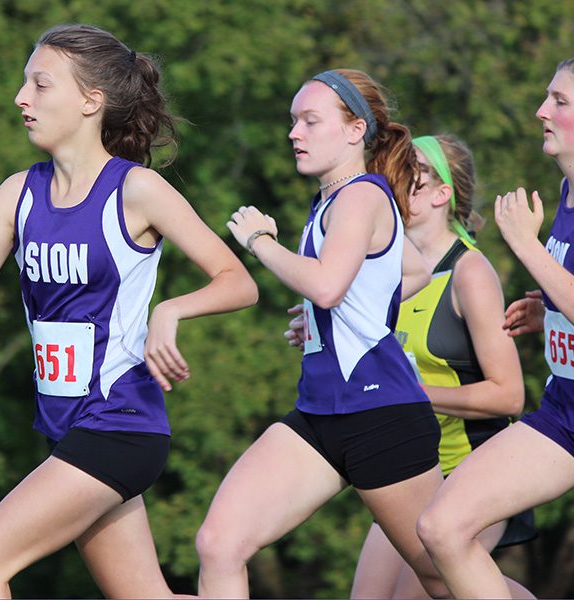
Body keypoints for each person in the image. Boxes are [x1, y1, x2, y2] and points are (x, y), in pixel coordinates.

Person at [0, 24, 257, 599]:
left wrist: (170, 313)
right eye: (23, 84)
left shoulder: (137, 190)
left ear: (91, 101)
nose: (21, 99)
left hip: (120, 424)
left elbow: (238, 282)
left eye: (40, 84)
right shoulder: (17, 194)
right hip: (68, 430)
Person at [194, 68, 452, 599]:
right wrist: (323, 319)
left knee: (443, 578)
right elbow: (413, 271)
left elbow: (330, 286)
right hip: (319, 415)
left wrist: (261, 241)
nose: (294, 133)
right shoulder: (333, 201)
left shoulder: (360, 197)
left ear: (356, 130)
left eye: (310, 121)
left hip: (381, 417)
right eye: (293, 121)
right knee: (219, 543)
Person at [417, 54, 574, 598]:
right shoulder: (569, 192)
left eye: (560, 101)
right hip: (570, 414)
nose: (541, 111)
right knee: (442, 528)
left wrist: (528, 247)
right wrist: (548, 312)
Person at [342, 134, 534, 599]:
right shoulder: (382, 269)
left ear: (440, 192)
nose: (393, 176)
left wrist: (416, 393)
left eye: (412, 170)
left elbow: (509, 396)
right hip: (411, 472)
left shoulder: (470, 273)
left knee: (425, 592)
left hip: (474, 470)